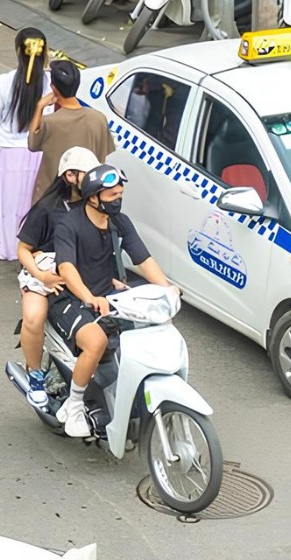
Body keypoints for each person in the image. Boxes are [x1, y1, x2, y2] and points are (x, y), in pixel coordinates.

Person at [50, 165, 179, 438]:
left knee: (154, 322)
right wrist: (89, 297)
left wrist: (167, 289)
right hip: (71, 299)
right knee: (96, 342)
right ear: (93, 197)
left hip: (109, 295)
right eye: (111, 195)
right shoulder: (69, 224)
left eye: (120, 194)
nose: (117, 200)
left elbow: (143, 260)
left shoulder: (120, 222)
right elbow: (67, 269)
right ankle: (74, 405)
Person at [13, 146, 94, 410]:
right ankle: (36, 377)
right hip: (45, 274)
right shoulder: (48, 208)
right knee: (34, 318)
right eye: (87, 174)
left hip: (80, 272)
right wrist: (42, 276)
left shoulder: (96, 206)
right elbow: (23, 250)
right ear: (70, 177)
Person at [0, 28, 50, 261]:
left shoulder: (4, 82)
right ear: (44, 52)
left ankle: (8, 248)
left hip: (9, 154)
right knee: (33, 202)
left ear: (18, 51)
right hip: (39, 151)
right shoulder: (51, 82)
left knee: (6, 204)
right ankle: (33, 249)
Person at [26, 59, 114, 199]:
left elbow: (32, 144)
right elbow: (103, 158)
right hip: (85, 198)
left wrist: (39, 106)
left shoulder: (49, 123)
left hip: (51, 200)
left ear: (54, 88)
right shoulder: (99, 119)